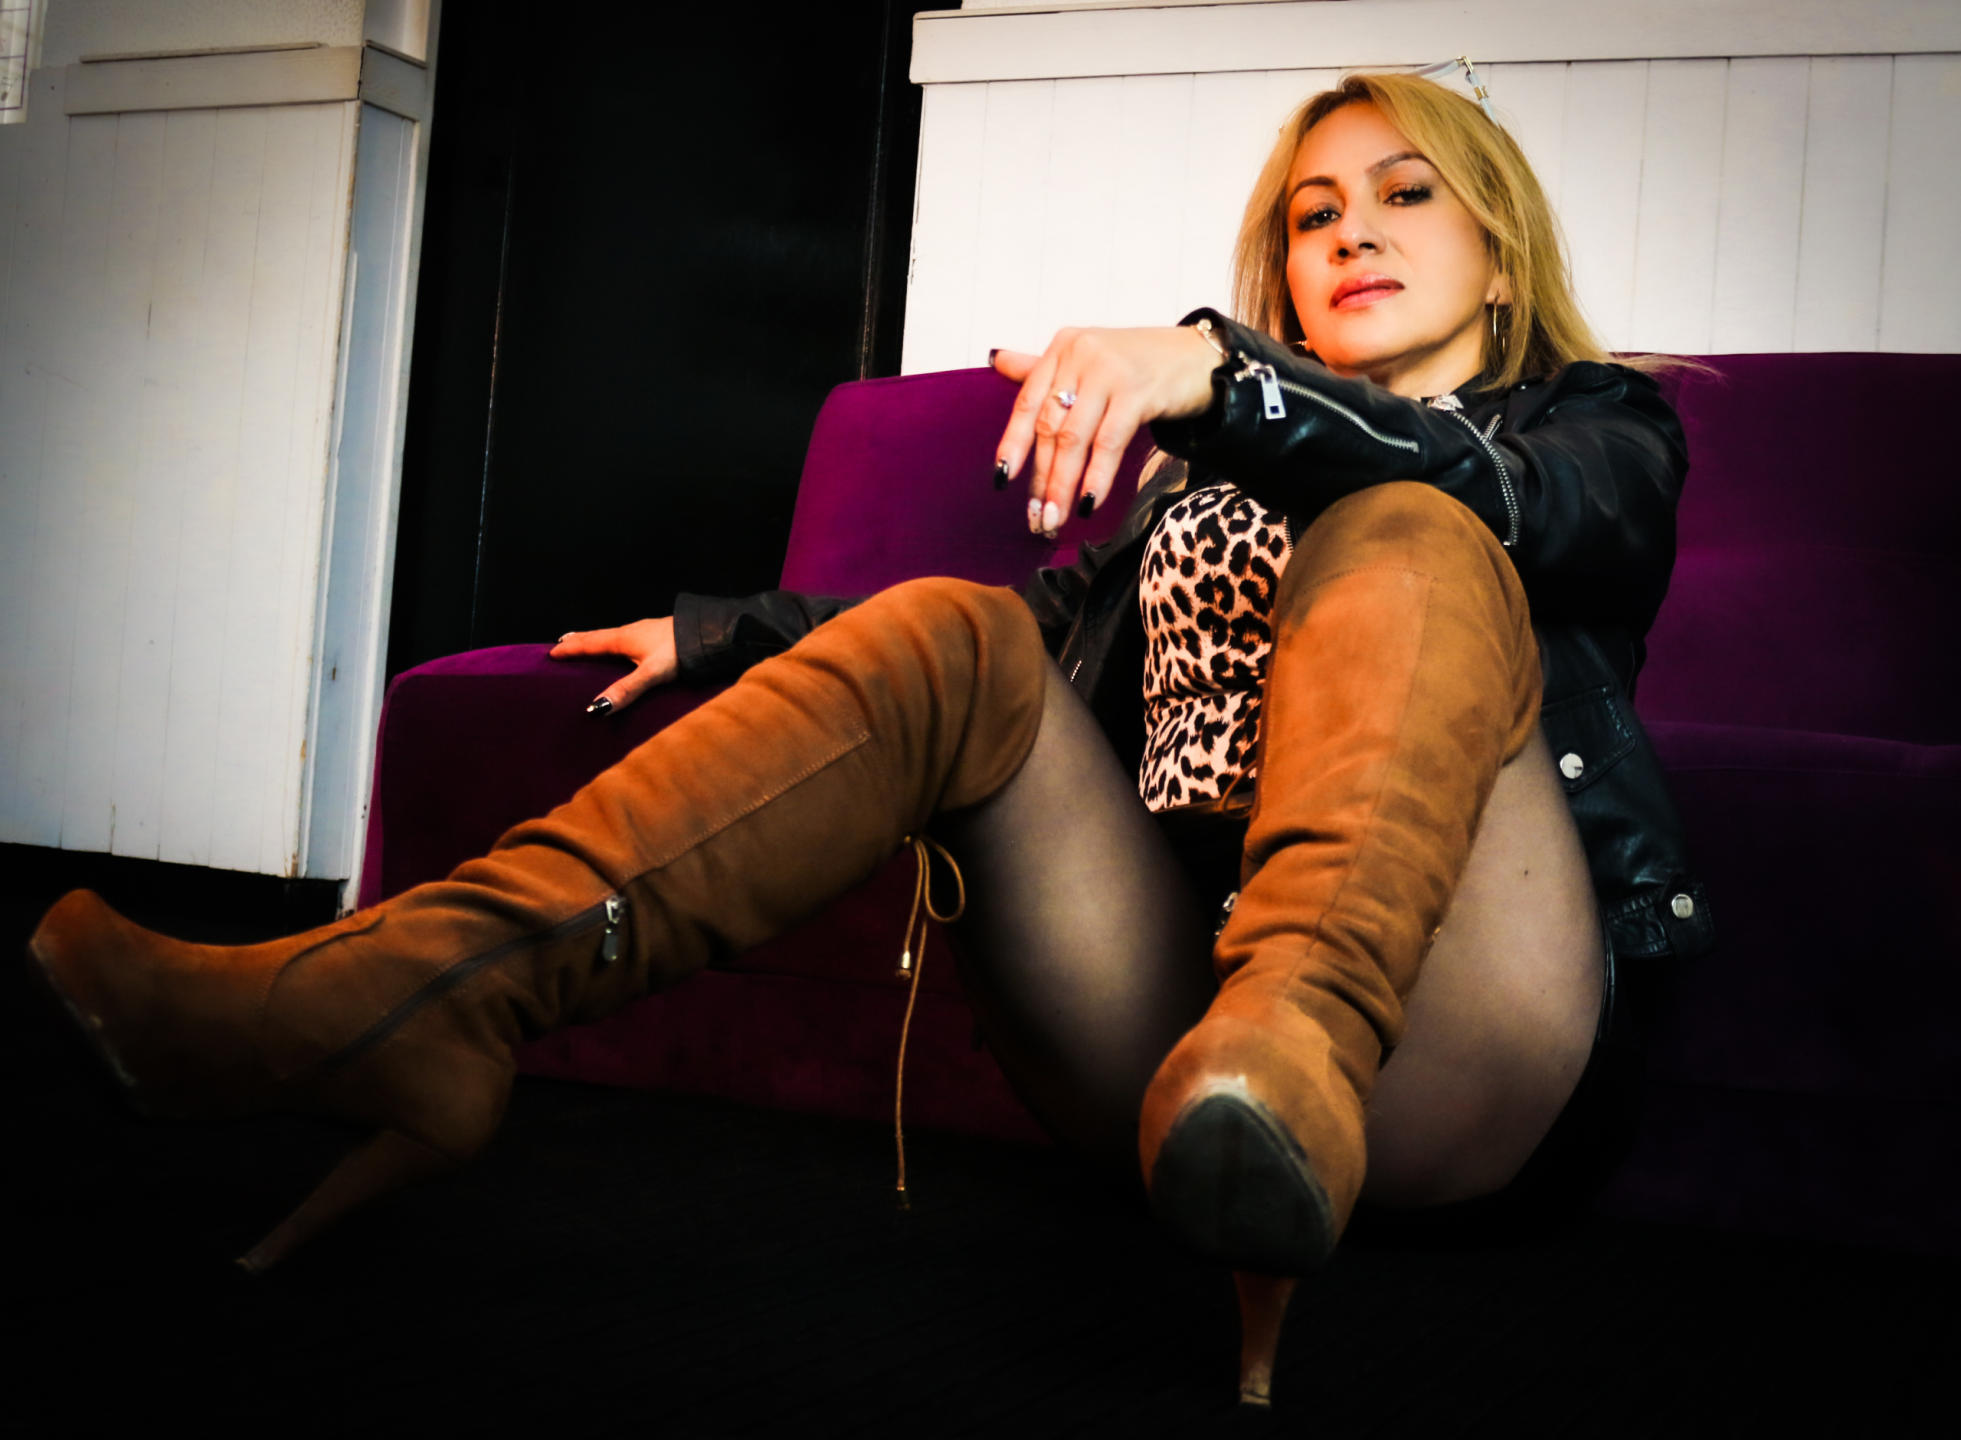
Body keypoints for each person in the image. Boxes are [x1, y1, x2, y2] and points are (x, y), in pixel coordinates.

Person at [26, 71, 1711, 1407]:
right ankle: (415, 1001)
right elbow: (1022, 648)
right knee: (956, 632)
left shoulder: (1597, 427)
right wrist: (725, 633)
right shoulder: (1191, 494)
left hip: (1463, 1045)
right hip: (1174, 1048)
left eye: (1404, 195)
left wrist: (1227, 380)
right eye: (1312, 213)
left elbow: (1506, 505)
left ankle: (1304, 1038)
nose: (1351, 232)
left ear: (1498, 249)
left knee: (1409, 529)